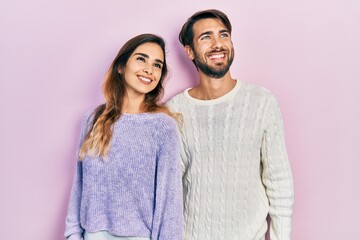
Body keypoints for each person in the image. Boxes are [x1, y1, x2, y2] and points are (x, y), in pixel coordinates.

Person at [167, 9, 294, 240]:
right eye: (206, 37)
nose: (218, 44)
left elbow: (280, 183)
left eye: (223, 35)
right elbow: (170, 189)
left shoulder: (262, 102)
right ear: (189, 51)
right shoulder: (175, 111)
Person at [64, 34, 183, 240]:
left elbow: (170, 203)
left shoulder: (163, 127)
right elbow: (80, 184)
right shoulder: (93, 119)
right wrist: (73, 234)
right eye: (141, 59)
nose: (149, 69)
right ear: (121, 66)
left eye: (157, 65)